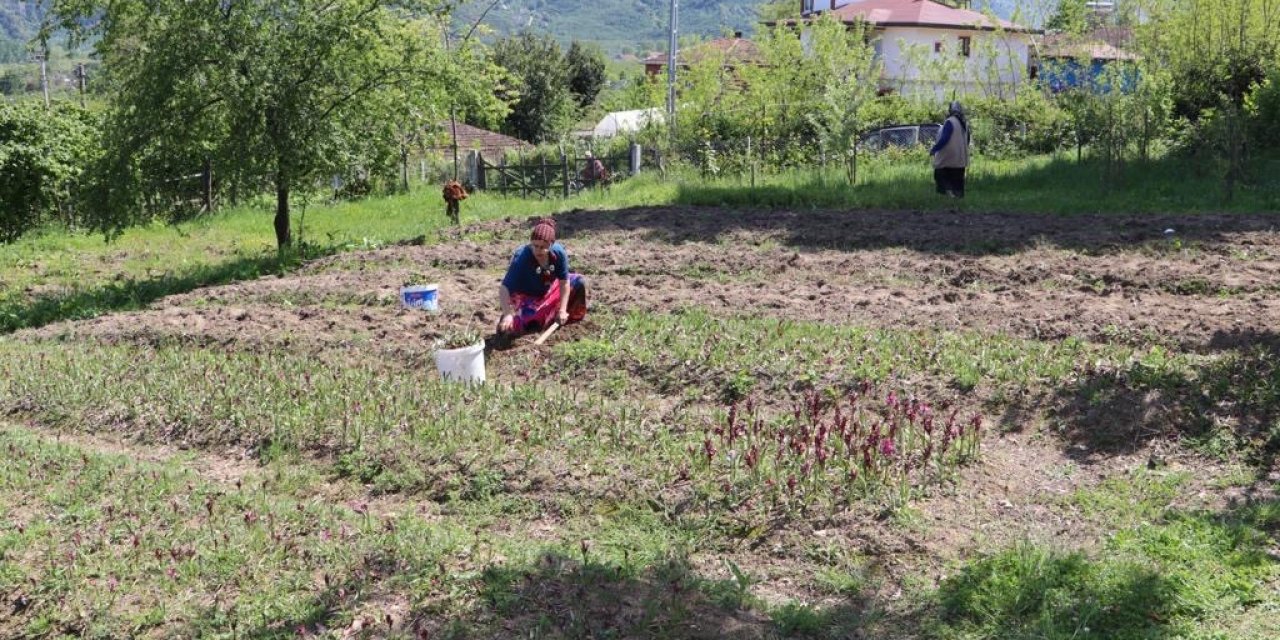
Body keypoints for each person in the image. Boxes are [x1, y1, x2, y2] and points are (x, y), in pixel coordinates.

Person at [497, 218, 588, 336]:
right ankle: (516, 318)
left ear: (551, 244)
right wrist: (508, 314)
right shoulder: (522, 257)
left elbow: (564, 282)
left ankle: (564, 318)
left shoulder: (558, 254)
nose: (538, 250)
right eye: (535, 245)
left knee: (578, 282)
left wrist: (563, 309)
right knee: (529, 322)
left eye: (543, 247)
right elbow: (504, 289)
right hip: (526, 296)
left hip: (549, 290)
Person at [929, 101, 970, 198]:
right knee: (958, 182)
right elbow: (967, 140)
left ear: (950, 110)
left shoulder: (950, 122)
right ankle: (957, 198)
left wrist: (934, 149)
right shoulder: (964, 124)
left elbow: (945, 138)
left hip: (948, 157)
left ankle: (948, 194)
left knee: (940, 174)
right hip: (961, 158)